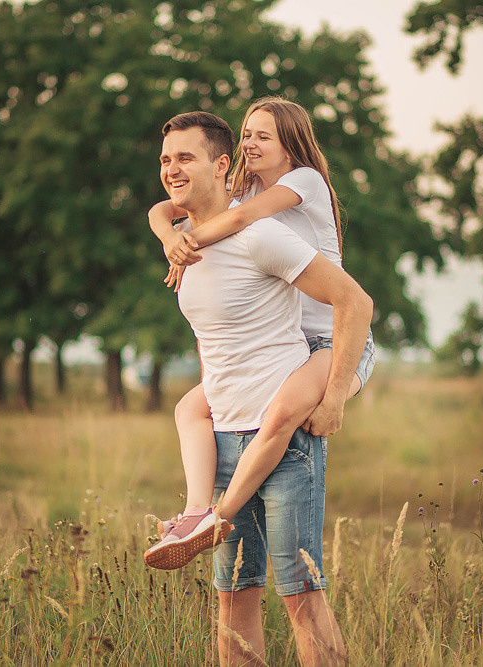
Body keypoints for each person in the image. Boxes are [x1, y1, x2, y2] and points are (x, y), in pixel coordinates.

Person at [148, 110, 371, 665]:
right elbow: (210, 339)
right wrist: (170, 236)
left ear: (221, 166)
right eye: (165, 160)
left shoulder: (264, 227)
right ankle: (203, 509)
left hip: (294, 426)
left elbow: (354, 302)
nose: (172, 169)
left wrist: (336, 395)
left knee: (301, 597)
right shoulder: (185, 243)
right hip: (226, 436)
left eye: (186, 158)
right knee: (233, 600)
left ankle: (209, 516)